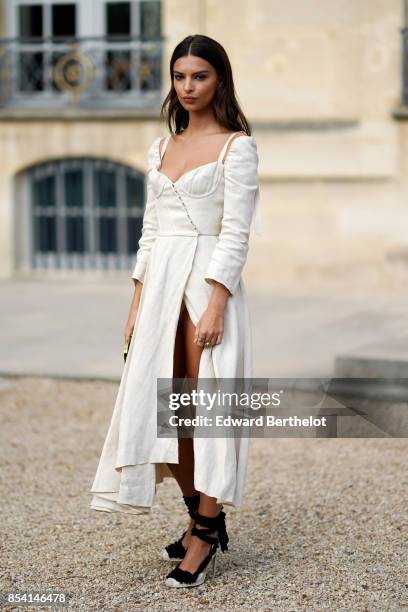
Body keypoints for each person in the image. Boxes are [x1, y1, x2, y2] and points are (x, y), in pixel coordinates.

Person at [89, 33, 261, 588]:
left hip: (206, 284)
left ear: (219, 80)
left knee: (203, 412)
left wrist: (217, 302)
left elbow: (236, 234)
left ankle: (205, 536)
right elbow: (150, 230)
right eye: (180, 76)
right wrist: (137, 302)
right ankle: (200, 517)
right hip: (161, 284)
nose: (188, 87)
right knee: (169, 412)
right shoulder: (160, 148)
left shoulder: (238, 147)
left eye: (200, 77)